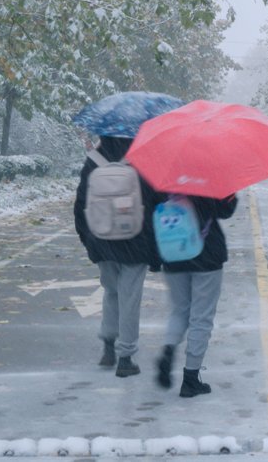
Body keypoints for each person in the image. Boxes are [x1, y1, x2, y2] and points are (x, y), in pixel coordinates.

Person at [74, 135, 162, 378]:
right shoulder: (143, 161)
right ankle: (126, 357)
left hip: (101, 240)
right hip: (135, 241)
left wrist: (88, 240)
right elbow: (155, 204)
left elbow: (81, 203)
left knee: (111, 292)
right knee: (130, 297)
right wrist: (155, 250)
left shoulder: (93, 161)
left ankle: (108, 349)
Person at [154, 193, 238, 398]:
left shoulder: (164, 178)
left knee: (179, 311)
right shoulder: (212, 179)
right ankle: (190, 378)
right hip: (206, 255)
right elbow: (225, 211)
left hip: (173, 252)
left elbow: (152, 214)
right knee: (201, 316)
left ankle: (169, 350)